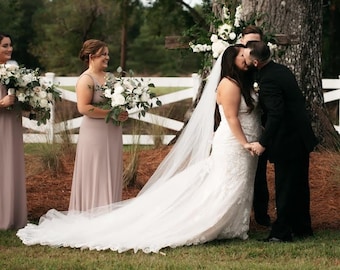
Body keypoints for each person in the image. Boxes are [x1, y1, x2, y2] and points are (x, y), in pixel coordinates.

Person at [17, 45, 261, 253]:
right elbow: (231, 118)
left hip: (240, 144)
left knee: (232, 183)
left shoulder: (241, 82)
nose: (246, 60)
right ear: (231, 62)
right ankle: (211, 222)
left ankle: (230, 225)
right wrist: (245, 142)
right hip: (234, 142)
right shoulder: (229, 85)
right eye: (241, 57)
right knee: (222, 184)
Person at [244, 41, 318, 242]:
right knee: (298, 184)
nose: (245, 60)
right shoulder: (280, 70)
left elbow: (276, 114)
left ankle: (281, 233)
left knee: (285, 185)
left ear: (256, 62)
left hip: (289, 138)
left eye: (247, 57)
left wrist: (263, 143)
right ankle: (302, 227)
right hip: (299, 134)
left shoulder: (268, 80)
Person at [68, 39, 128, 211]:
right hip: (94, 134)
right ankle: (91, 212)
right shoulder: (86, 79)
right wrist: (111, 113)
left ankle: (110, 211)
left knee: (111, 170)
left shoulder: (110, 78)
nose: (107, 57)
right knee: (96, 171)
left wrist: (122, 111)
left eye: (108, 54)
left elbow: (117, 103)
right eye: (104, 54)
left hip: (113, 131)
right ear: (91, 56)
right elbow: (84, 107)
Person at [0, 33, 27, 230]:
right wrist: (1, 103)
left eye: (10, 45)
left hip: (13, 123)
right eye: (5, 46)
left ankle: (13, 214)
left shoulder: (13, 70)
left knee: (11, 165)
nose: (10, 49)